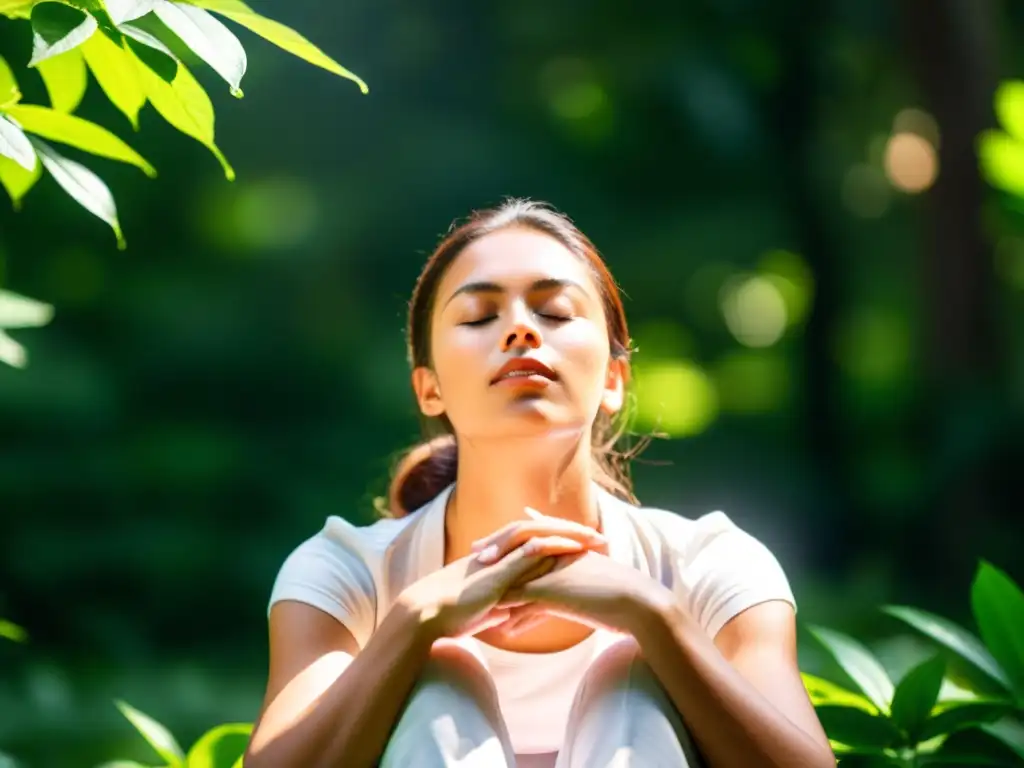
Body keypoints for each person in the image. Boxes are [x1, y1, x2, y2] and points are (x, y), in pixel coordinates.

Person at [243, 200, 835, 768]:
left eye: (553, 312)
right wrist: (414, 622)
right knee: (444, 672)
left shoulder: (710, 566)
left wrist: (654, 617)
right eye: (479, 316)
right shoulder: (347, 574)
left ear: (614, 379)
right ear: (429, 389)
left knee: (628, 673)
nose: (521, 330)